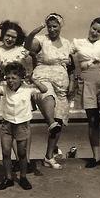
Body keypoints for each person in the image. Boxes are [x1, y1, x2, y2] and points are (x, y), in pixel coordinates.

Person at [0, 62, 47, 190]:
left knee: (22, 153)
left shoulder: (27, 88)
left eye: (14, 78)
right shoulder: (3, 88)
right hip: (7, 125)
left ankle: (23, 177)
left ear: (21, 78)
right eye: (8, 78)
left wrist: (32, 79)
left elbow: (44, 90)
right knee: (5, 152)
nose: (10, 81)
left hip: (22, 125)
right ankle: (8, 178)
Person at [25, 13, 74, 169]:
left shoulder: (67, 43)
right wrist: (34, 32)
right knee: (48, 98)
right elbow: (27, 45)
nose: (52, 29)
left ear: (60, 26)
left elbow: (71, 66)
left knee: (59, 120)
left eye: (55, 26)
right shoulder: (41, 40)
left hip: (62, 84)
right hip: (43, 78)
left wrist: (72, 82)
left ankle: (49, 157)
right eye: (49, 26)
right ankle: (50, 122)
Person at [0, 20, 33, 171]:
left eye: (13, 37)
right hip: (5, 89)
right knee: (10, 123)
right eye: (8, 35)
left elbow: (32, 61)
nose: (10, 39)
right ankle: (19, 161)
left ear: (17, 38)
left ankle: (25, 160)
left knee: (24, 124)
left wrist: (29, 76)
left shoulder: (22, 50)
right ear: (3, 35)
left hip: (22, 90)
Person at [71, 17, 100, 168]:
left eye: (99, 31)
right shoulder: (78, 43)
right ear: (90, 26)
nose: (95, 32)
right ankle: (96, 157)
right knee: (93, 121)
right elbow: (65, 56)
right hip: (87, 82)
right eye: (93, 29)